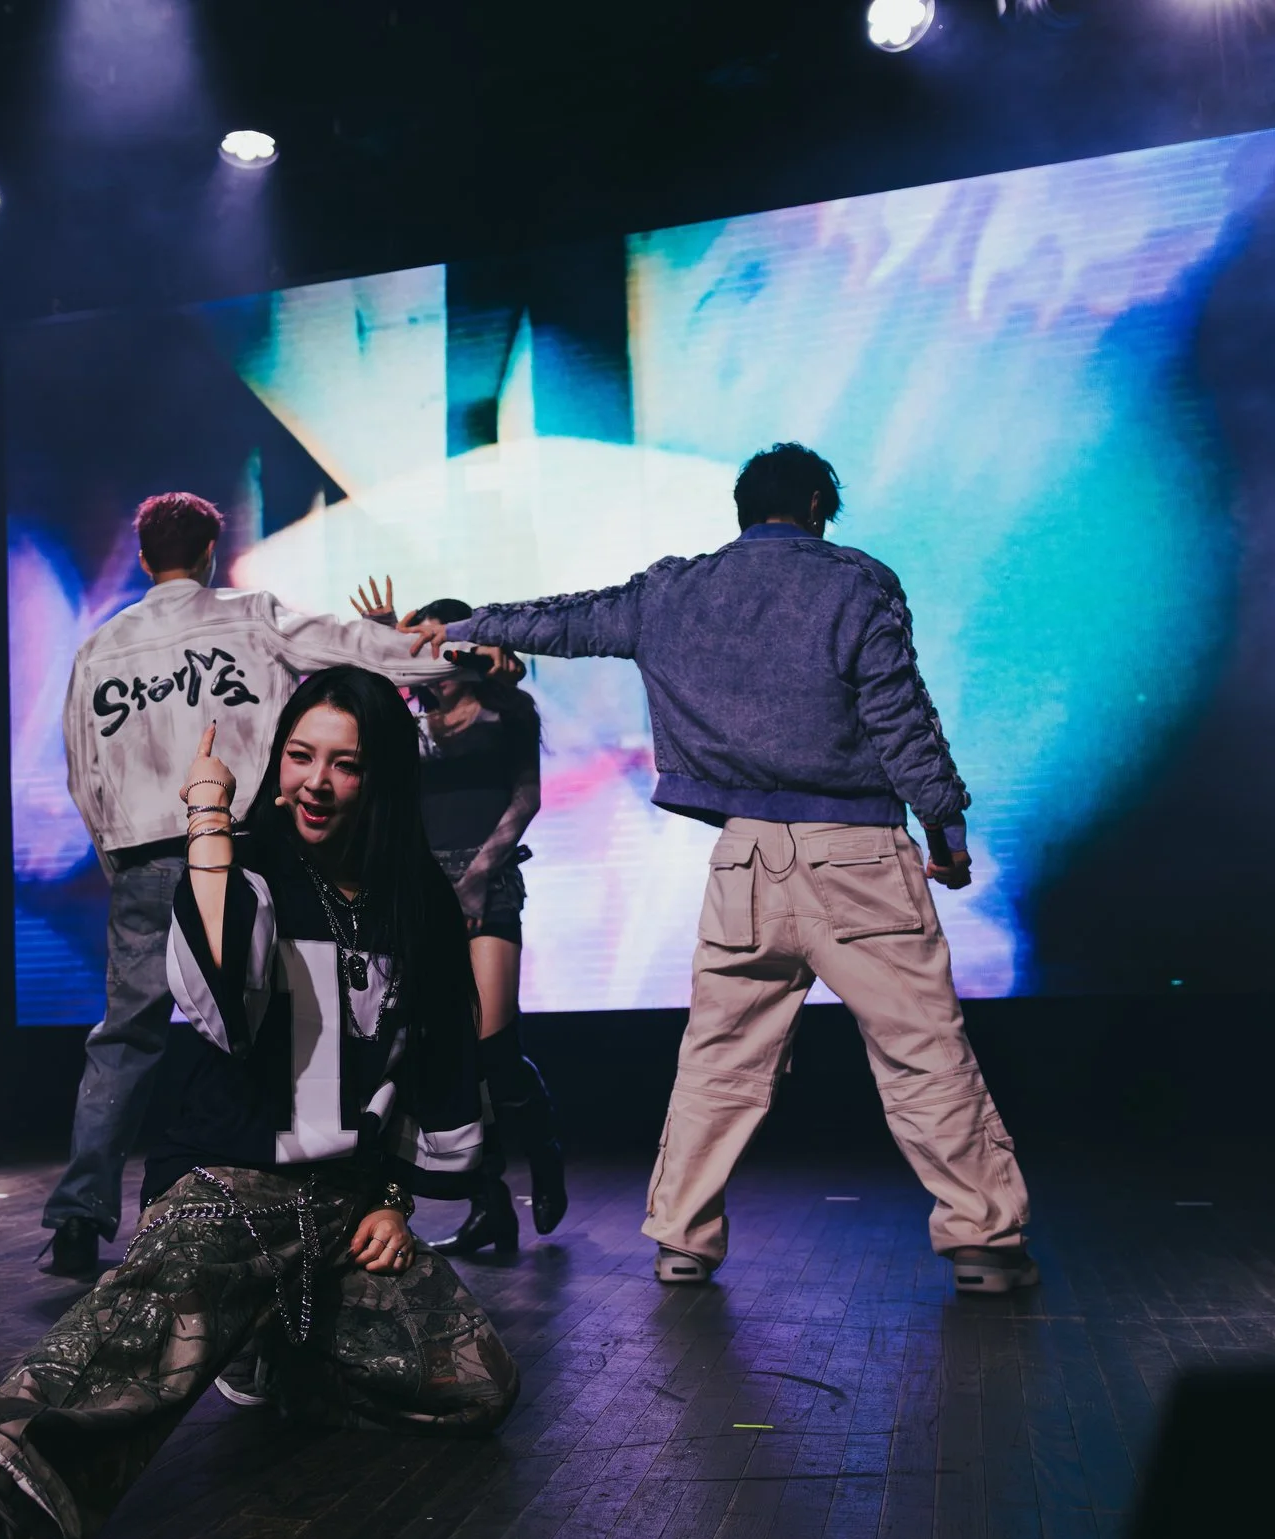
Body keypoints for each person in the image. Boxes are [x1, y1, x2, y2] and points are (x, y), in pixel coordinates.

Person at [0, 669, 520, 1539]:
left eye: (345, 764)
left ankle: (264, 1341)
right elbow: (221, 999)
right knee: (147, 1324)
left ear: (380, 776)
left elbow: (426, 1059)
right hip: (234, 1178)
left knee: (475, 1384)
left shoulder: (413, 894)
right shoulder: (246, 864)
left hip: (342, 1203)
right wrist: (210, 821)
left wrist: (394, 1196)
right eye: (299, 756)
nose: (316, 782)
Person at [401, 443, 1037, 1295]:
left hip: (745, 861)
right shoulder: (855, 582)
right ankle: (984, 1244)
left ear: (742, 511)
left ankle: (682, 1240)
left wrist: (462, 627)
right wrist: (945, 826)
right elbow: (898, 712)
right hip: (855, 855)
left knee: (718, 1065)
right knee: (923, 1055)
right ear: (817, 506)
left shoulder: (673, 591)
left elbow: (566, 618)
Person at [44, 493, 455, 1278]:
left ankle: (77, 1216)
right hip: (247, 847)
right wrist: (443, 653)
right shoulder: (251, 615)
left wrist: (115, 857)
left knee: (126, 1037)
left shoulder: (100, 645)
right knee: (266, 1028)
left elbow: (81, 768)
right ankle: (278, 1194)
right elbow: (352, 646)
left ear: (143, 557)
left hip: (142, 853)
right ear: (209, 552)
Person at [351, 582, 566, 1256]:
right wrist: (384, 643)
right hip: (420, 891)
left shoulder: (506, 712)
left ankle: (544, 1150)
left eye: (437, 645)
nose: (431, 660)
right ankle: (489, 1203)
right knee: (443, 1054)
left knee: (492, 1046)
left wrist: (474, 880)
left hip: (487, 883)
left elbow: (526, 799)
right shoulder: (408, 724)